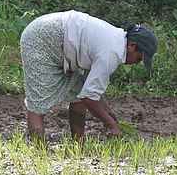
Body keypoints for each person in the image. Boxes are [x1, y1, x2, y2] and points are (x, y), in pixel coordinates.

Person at [19, 10, 158, 141]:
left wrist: (107, 109)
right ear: (132, 46)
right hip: (41, 39)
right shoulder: (112, 52)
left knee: (78, 93)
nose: (136, 63)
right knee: (38, 104)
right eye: (139, 58)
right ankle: (40, 155)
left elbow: (88, 86)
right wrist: (111, 125)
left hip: (58, 38)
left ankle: (78, 147)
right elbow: (89, 97)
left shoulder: (115, 40)